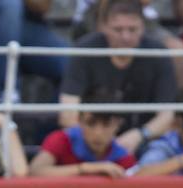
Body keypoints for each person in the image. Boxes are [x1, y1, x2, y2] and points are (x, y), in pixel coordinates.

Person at [58, 0, 176, 155]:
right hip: (90, 141)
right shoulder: (85, 50)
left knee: (158, 154)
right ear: (103, 27)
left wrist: (140, 135)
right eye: (118, 30)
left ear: (143, 27)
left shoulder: (158, 53)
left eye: (132, 29)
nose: (125, 36)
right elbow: (67, 114)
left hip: (143, 141)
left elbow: (167, 116)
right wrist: (99, 139)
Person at [29, 87, 136, 178]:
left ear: (118, 124)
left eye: (106, 125)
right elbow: (34, 172)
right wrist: (85, 169)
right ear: (79, 120)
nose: (98, 133)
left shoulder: (124, 159)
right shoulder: (61, 140)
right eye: (91, 123)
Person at [0, 0, 68, 89]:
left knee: (71, 62)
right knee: (10, 5)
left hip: (29, 28)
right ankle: (8, 91)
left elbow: (42, 6)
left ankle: (54, 107)